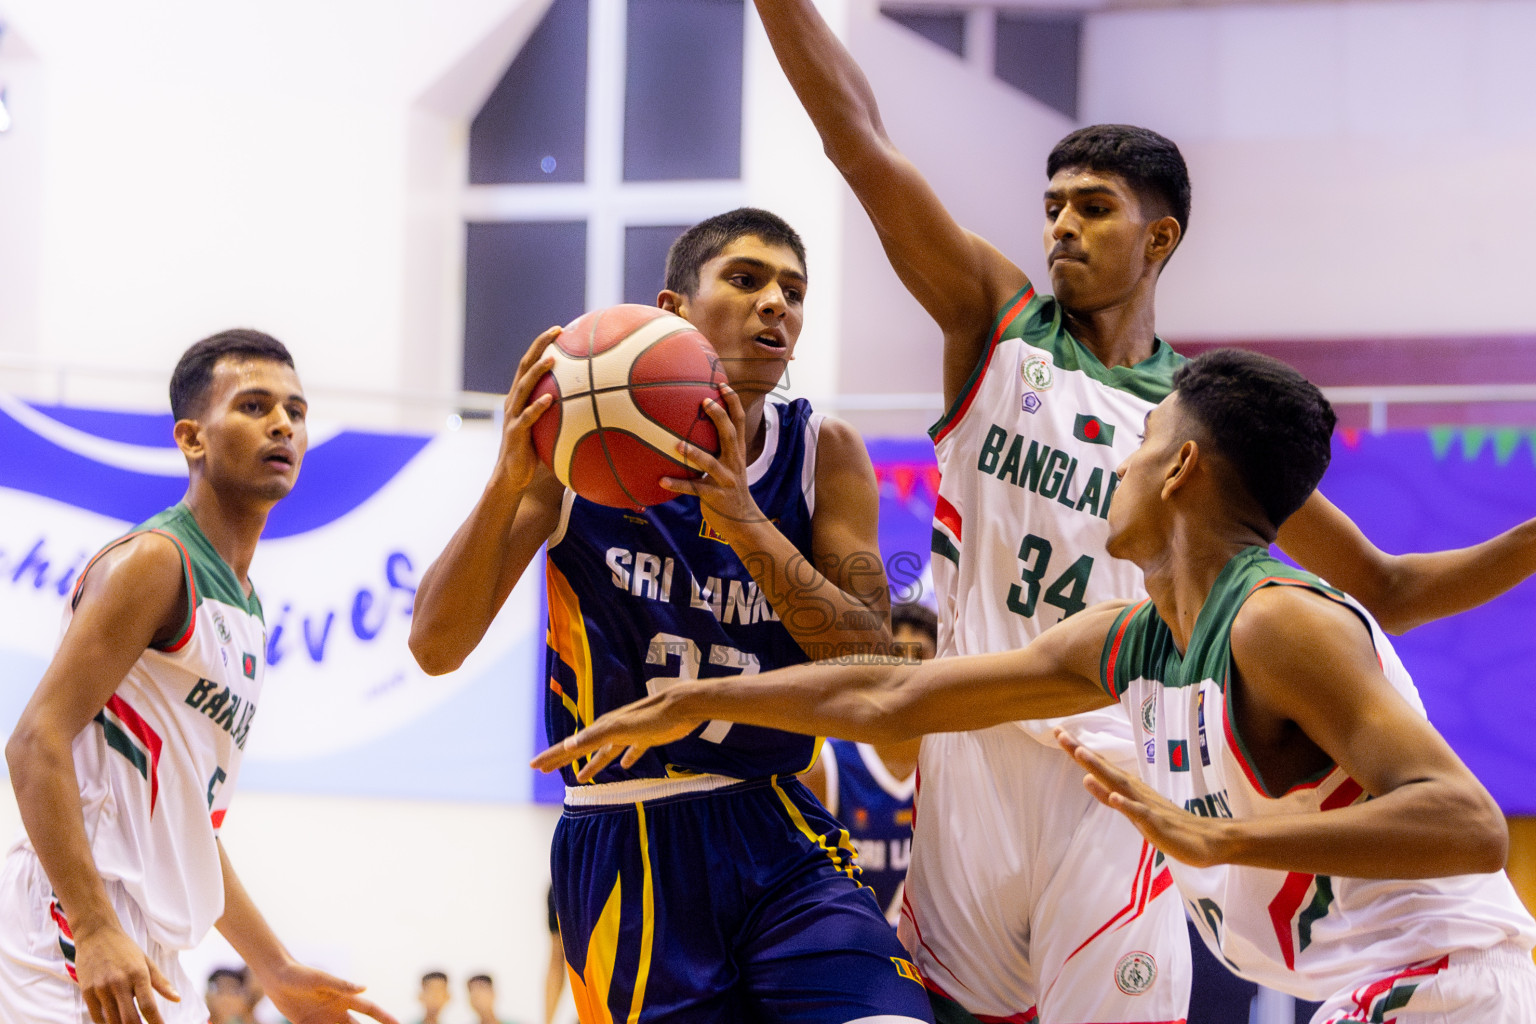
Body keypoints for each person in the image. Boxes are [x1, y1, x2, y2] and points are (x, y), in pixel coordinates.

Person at [745, 3, 1536, 1021]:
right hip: (973, 742)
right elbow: (859, 143)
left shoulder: (1198, 423)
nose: (1062, 225)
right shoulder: (996, 322)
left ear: (1158, 235)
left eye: (1093, 206)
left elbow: (1385, 586)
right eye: (1053, 205)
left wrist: (1524, 538)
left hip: (1116, 765)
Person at [535, 348, 1536, 1024]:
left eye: (1138, 450)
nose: (1118, 471)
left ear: (1181, 467)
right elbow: (886, 698)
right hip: (1381, 989)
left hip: (1445, 986)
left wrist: (1226, 838)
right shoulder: (1131, 638)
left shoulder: (1279, 623)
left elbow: (1468, 821)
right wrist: (702, 700)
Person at [411, 208, 933, 1023]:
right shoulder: (574, 455)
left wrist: (748, 527)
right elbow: (435, 645)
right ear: (673, 311)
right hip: (625, 842)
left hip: (776, 819)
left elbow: (876, 664)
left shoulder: (823, 451)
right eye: (746, 279)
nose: (775, 305)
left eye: (793, 291)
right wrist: (504, 483)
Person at [1, 330, 395, 1024]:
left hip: (149, 941)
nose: (283, 424)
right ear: (193, 438)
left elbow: (190, 828)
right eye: (253, 405)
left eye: (296, 412)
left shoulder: (245, 605)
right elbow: (34, 742)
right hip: (67, 924)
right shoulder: (156, 563)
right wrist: (92, 927)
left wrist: (274, 969)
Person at [804, 603, 934, 924]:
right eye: (895, 655)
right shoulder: (827, 765)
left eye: (919, 657)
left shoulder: (957, 764)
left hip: (935, 956)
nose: (905, 669)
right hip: (853, 949)